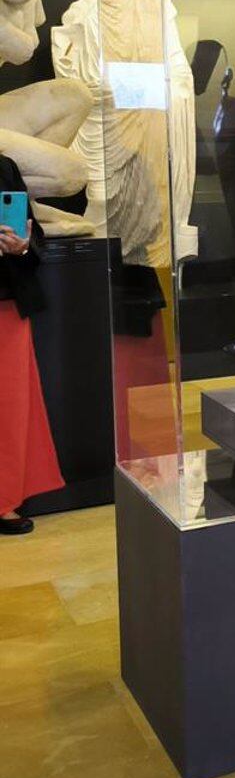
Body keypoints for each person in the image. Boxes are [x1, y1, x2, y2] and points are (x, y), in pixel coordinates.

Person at [0, 151, 64, 535]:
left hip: (7, 300)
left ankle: (4, 500)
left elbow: (33, 232)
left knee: (10, 405)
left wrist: (21, 245)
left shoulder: (3, 166)